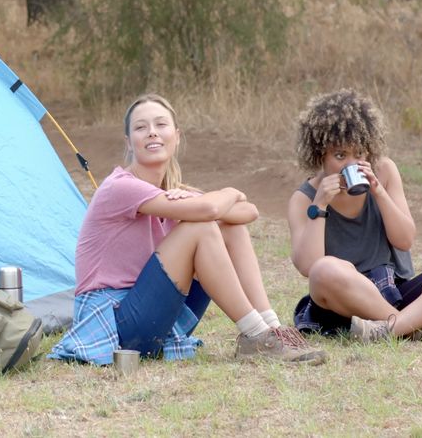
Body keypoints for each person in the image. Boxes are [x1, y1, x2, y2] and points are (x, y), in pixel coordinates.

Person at [50, 94, 326, 365]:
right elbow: (210, 211)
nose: (151, 133)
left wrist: (209, 203)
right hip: (115, 322)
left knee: (229, 228)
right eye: (141, 127)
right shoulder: (120, 187)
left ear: (177, 136)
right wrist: (229, 192)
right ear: (129, 143)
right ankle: (255, 335)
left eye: (161, 125)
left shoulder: (173, 195)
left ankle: (271, 328)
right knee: (203, 227)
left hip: (153, 316)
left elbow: (247, 213)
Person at [287, 89, 422, 343]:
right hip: (342, 302)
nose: (351, 164)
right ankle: (416, 327)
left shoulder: (385, 171)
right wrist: (320, 205)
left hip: (392, 291)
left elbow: (404, 240)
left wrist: (379, 192)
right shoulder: (304, 199)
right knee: (325, 270)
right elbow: (309, 268)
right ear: (319, 154)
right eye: (340, 155)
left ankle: (391, 329)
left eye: (359, 154)